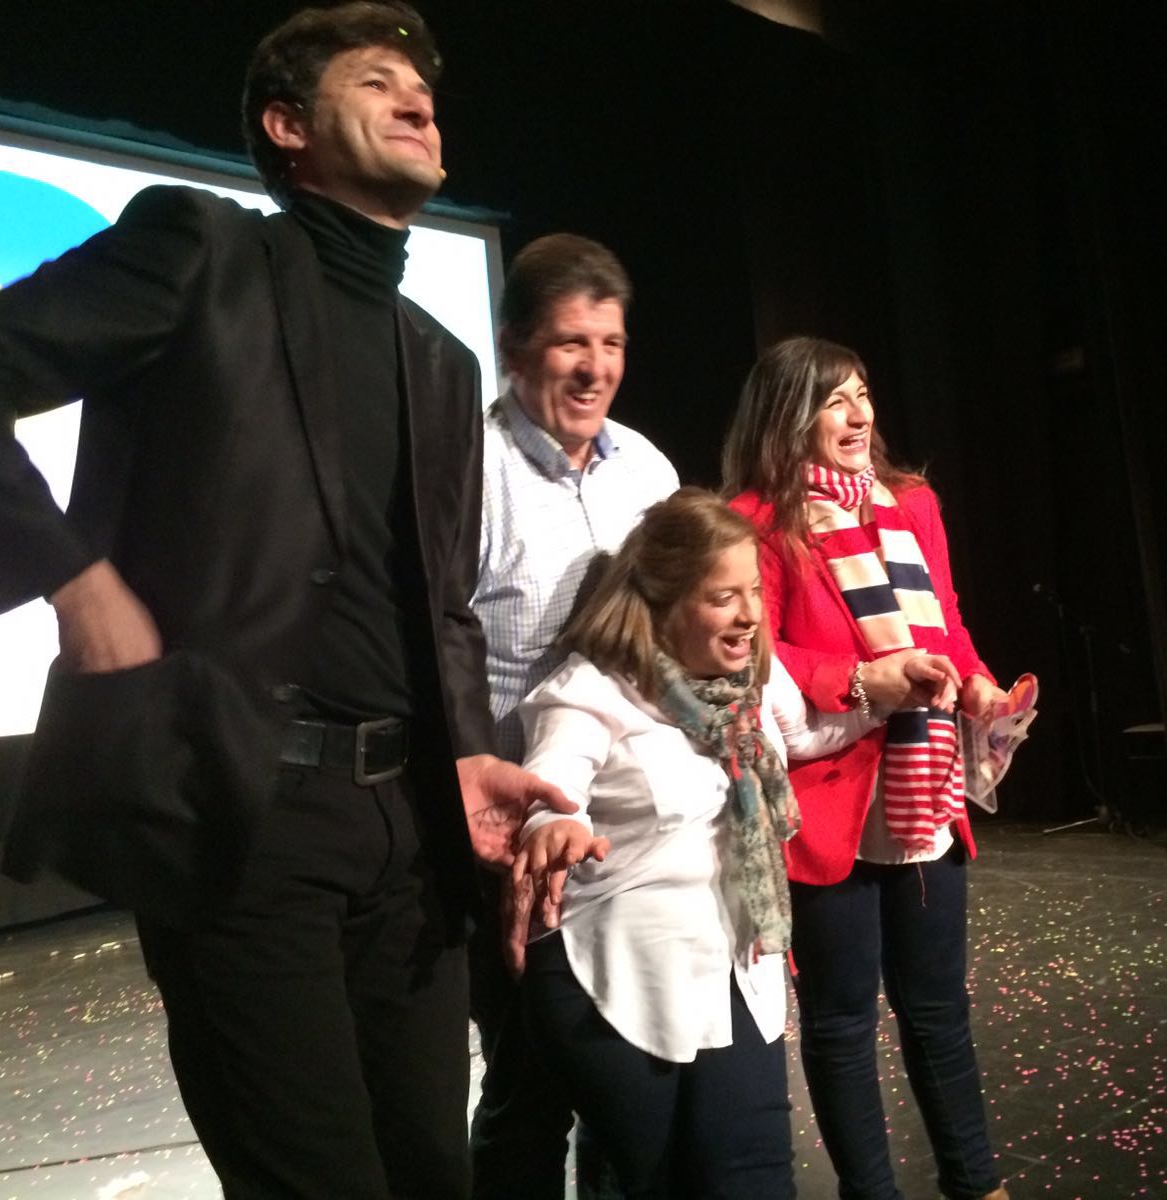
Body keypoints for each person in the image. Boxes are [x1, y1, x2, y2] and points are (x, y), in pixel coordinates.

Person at [0, 5, 566, 1197]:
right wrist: (72, 576)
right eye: (378, 80)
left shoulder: (440, 359)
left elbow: (443, 605)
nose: (419, 99)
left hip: (404, 831)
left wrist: (462, 760)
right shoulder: (202, 254)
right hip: (249, 811)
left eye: (425, 88)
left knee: (431, 1177)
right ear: (286, 126)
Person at [504, 489, 959, 1200]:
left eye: (753, 590)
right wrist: (550, 826)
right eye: (724, 597)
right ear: (664, 601)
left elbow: (803, 738)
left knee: (752, 1179)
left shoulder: (753, 679)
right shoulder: (595, 689)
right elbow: (552, 779)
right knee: (653, 1184)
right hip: (624, 980)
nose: (750, 614)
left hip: (737, 972)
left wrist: (889, 699)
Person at [724, 336, 1012, 1200]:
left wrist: (977, 681)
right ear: (788, 416)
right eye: (833, 401)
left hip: (926, 785)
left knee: (939, 1013)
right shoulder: (754, 520)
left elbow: (947, 619)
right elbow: (754, 651)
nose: (858, 416)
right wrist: (853, 679)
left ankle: (978, 1185)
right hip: (829, 792)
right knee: (844, 1023)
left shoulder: (914, 503)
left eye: (863, 395)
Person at [469, 233, 678, 1198]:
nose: (596, 368)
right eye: (569, 344)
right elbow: (438, 652)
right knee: (530, 1080)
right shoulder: (470, 468)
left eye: (613, 343)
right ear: (515, 348)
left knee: (630, 1068)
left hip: (632, 829)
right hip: (517, 824)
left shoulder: (647, 469)